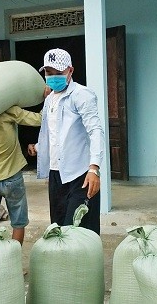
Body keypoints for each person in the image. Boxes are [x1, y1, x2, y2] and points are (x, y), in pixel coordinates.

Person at [28, 48, 104, 234]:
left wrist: (94, 168)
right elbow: (54, 133)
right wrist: (39, 148)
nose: (53, 77)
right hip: (56, 174)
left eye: (58, 73)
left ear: (70, 70)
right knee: (59, 228)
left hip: (80, 175)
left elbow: (95, 131)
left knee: (78, 230)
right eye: (48, 73)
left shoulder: (81, 95)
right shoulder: (49, 99)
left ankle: (86, 264)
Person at [0, 89, 48, 245]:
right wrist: (48, 99)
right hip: (12, 178)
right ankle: (14, 264)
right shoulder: (8, 111)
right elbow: (40, 119)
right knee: (18, 224)